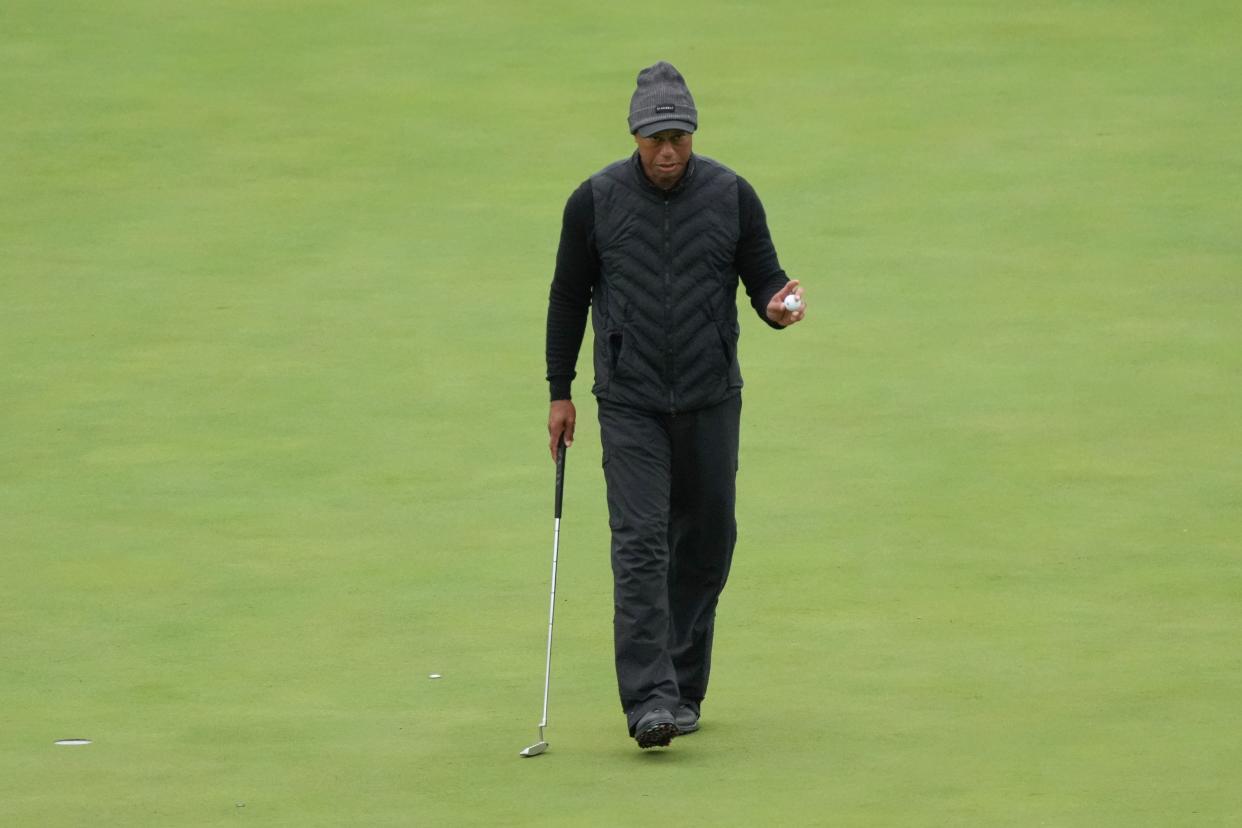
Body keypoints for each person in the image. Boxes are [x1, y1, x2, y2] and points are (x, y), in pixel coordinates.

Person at [544, 61, 806, 750]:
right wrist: (559, 392)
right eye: (656, 137)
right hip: (629, 403)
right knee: (639, 546)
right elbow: (569, 298)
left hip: (710, 398)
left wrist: (780, 307)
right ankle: (649, 700)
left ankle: (684, 684)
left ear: (693, 135)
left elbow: (765, 279)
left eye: (679, 137)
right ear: (635, 134)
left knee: (709, 541)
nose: (667, 150)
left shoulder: (731, 196)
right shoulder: (594, 202)